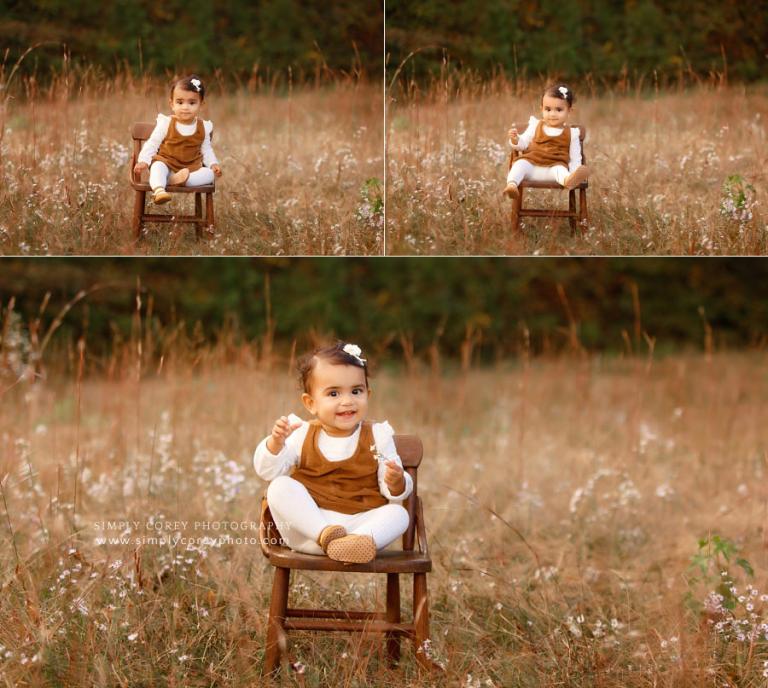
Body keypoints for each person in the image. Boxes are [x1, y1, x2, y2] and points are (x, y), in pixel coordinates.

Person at [253, 342, 412, 564]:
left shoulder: (378, 435)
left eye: (356, 391)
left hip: (360, 526)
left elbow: (391, 489)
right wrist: (275, 443)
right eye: (334, 393)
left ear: (368, 393)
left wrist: (396, 481)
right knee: (279, 486)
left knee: (399, 514)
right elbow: (268, 471)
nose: (347, 401)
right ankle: (328, 538)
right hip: (310, 529)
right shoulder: (302, 433)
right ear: (310, 403)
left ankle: (349, 546)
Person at [133, 75, 222, 205]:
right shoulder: (166, 123)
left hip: (190, 168)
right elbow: (152, 143)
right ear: (172, 104)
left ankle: (177, 179)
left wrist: (213, 164)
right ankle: (159, 190)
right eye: (180, 102)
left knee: (209, 174)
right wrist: (143, 161)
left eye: (192, 103)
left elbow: (206, 149)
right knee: (157, 167)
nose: (185, 107)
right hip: (166, 163)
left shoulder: (204, 127)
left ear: (201, 105)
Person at [503, 83, 589, 200]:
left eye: (559, 110)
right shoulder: (536, 125)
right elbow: (523, 144)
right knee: (519, 164)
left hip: (553, 170)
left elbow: (575, 158)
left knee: (561, 171)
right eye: (548, 109)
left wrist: (575, 172)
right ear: (541, 109)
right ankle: (512, 185)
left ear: (569, 111)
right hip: (531, 167)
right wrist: (516, 139)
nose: (552, 114)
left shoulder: (572, 133)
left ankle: (569, 180)